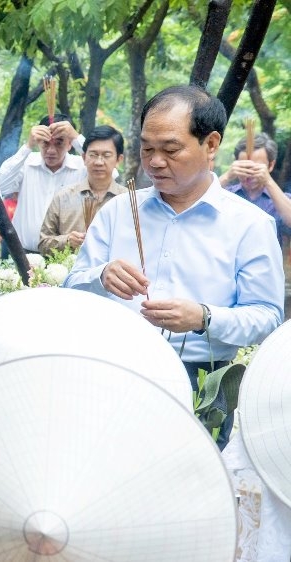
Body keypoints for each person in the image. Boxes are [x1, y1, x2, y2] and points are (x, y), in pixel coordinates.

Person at [64, 85, 284, 446]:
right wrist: (100, 276)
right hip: (113, 372)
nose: (154, 162)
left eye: (170, 149)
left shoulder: (249, 225)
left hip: (201, 382)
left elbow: (267, 318)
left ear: (211, 145)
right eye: (147, 149)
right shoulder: (119, 212)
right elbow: (71, 287)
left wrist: (204, 317)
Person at [0, 113, 88, 252]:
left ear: (70, 144)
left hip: (65, 254)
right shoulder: (26, 163)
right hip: (22, 253)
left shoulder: (82, 167)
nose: (51, 150)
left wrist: (77, 137)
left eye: (59, 143)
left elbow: (111, 173)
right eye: (45, 143)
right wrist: (27, 146)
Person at [38, 125, 127, 256]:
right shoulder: (63, 197)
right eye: (93, 155)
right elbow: (43, 243)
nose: (99, 162)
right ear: (84, 158)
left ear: (119, 160)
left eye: (106, 155)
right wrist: (67, 241)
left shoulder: (129, 200)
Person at [217, 131, 291, 238]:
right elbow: (196, 203)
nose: (249, 174)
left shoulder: (281, 200)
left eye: (256, 168)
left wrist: (268, 181)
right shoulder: (225, 194)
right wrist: (227, 176)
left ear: (271, 165)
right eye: (244, 167)